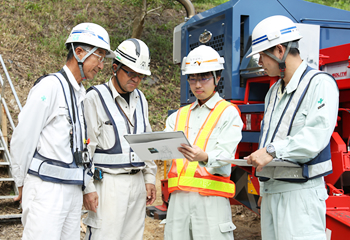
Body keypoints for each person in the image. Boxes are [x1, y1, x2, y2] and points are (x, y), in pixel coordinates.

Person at [10, 22, 115, 240]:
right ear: (79, 52)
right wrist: (20, 181)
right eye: (99, 57)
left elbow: (81, 147)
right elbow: (23, 138)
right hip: (46, 190)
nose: (102, 66)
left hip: (72, 191)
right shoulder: (49, 87)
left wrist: (87, 188)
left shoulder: (80, 95)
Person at [244, 15, 339, 240]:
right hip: (272, 192)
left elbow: (315, 137)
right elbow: (270, 138)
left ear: (279, 50)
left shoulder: (320, 84)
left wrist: (272, 151)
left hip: (301, 195)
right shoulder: (273, 92)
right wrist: (265, 187)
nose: (259, 63)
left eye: (261, 56)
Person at [164, 45, 243, 240]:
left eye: (204, 77)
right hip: (179, 200)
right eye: (192, 78)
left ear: (217, 78)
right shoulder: (177, 116)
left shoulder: (228, 112)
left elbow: (226, 154)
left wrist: (205, 157)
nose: (197, 84)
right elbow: (164, 149)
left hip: (211, 200)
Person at [83, 38, 157, 240]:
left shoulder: (141, 99)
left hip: (137, 183)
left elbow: (146, 141)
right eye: (130, 73)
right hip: (108, 184)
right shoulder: (95, 97)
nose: (135, 79)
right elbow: (86, 150)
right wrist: (87, 188)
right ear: (115, 67)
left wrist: (149, 178)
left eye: (140, 75)